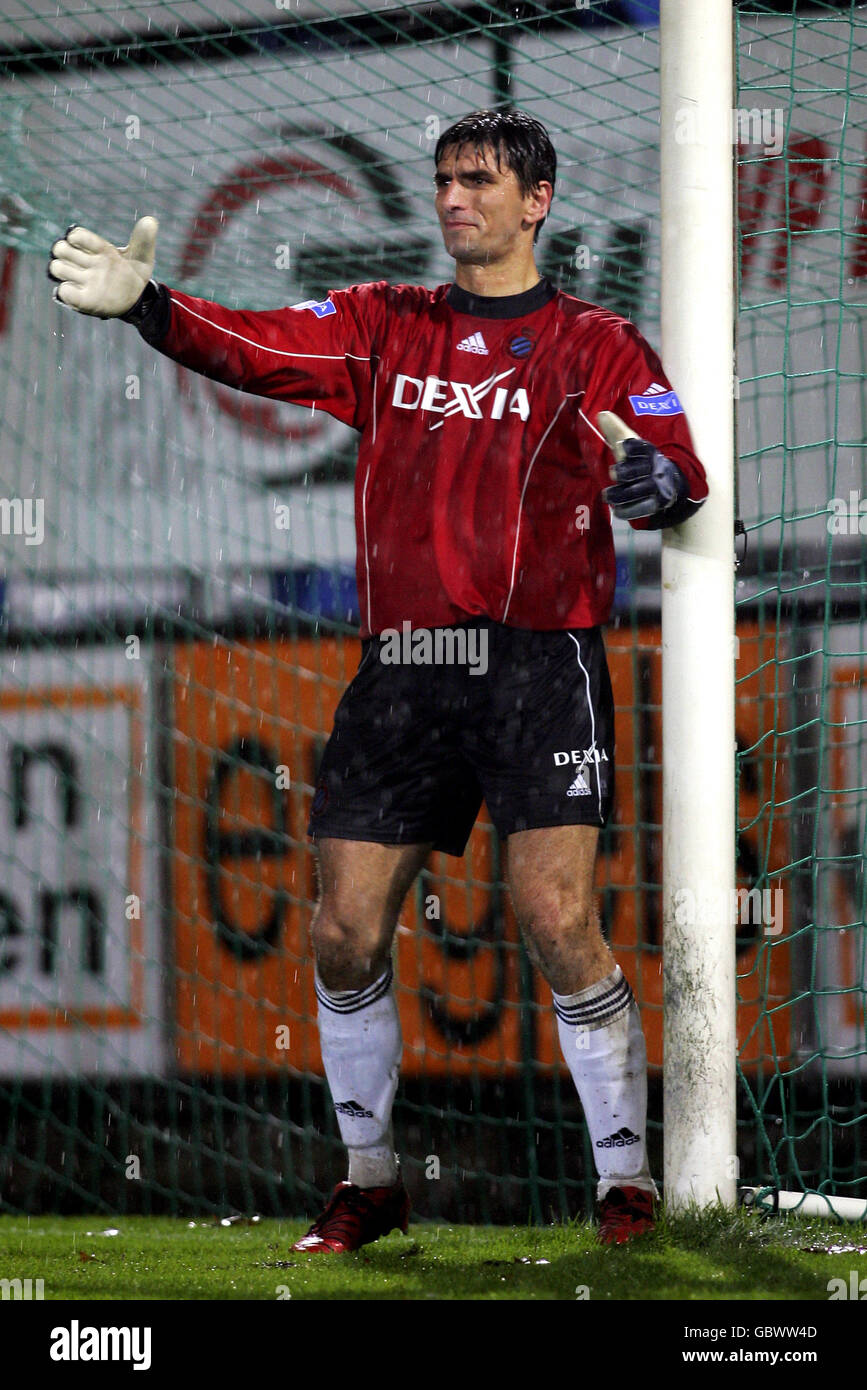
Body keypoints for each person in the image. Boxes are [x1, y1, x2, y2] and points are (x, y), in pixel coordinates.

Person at [48, 107, 708, 1250]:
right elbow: (251, 344)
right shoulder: (382, 325)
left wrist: (657, 482)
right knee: (344, 935)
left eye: (482, 181)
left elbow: (674, 468)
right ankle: (371, 1180)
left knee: (556, 918)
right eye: (445, 178)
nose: (456, 197)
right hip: (402, 670)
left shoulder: (598, 343)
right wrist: (151, 307)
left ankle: (626, 1186)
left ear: (536, 199)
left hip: (540, 662)